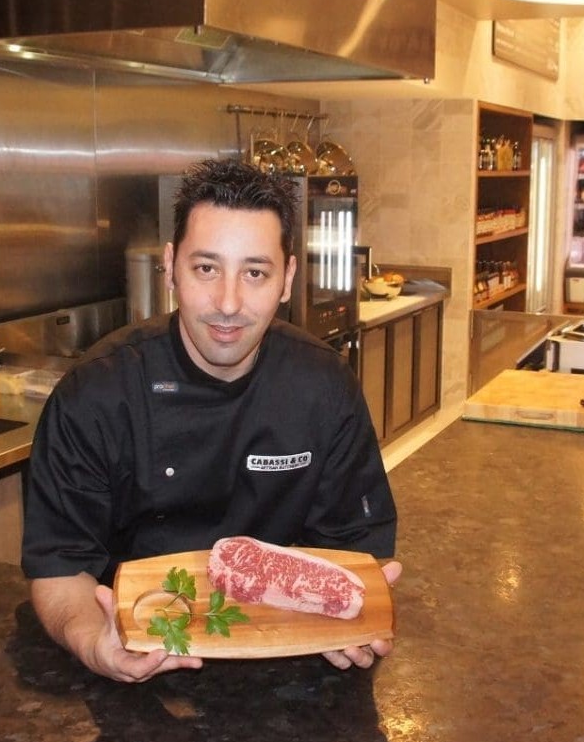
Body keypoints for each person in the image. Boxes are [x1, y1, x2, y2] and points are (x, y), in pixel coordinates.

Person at [22, 158, 400, 683]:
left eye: (255, 272)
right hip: (138, 659)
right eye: (206, 268)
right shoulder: (98, 394)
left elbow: (356, 548)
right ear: (171, 266)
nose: (228, 303)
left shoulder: (324, 386)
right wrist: (95, 645)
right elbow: (60, 565)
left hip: (288, 662)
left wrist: (351, 620)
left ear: (287, 279)